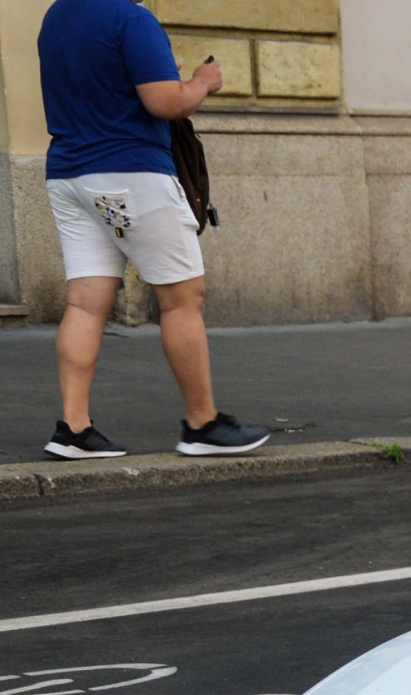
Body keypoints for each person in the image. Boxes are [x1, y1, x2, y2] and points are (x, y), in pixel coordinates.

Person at [36, 0, 268, 460]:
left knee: (85, 302)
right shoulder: (131, 18)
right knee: (182, 297)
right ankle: (202, 424)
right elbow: (166, 103)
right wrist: (202, 82)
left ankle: (74, 429)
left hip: (69, 175)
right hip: (131, 173)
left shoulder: (57, 16)